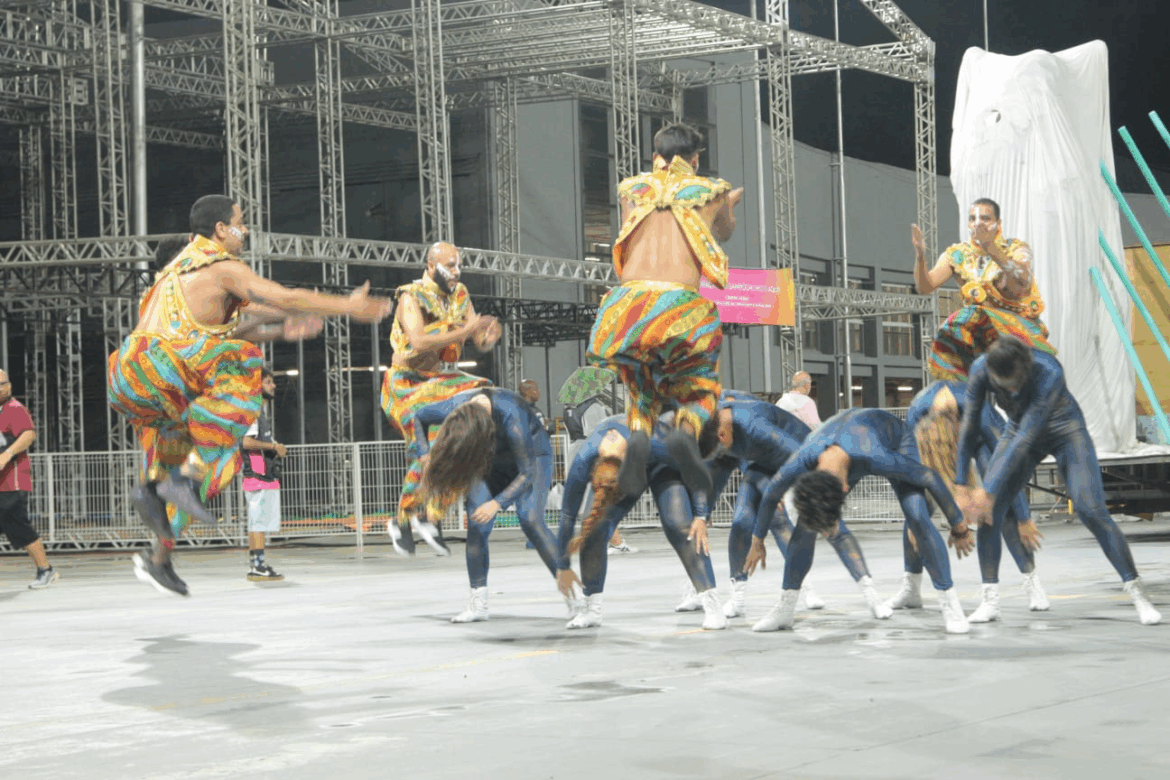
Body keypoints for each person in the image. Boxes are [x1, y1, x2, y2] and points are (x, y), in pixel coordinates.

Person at [108, 193, 393, 596]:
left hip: (133, 378)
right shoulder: (221, 266)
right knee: (242, 365)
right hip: (167, 372)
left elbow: (238, 320)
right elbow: (279, 297)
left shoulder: (168, 280)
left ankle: (158, 539)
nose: (245, 231)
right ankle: (177, 484)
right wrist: (346, 305)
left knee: (177, 458)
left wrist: (283, 329)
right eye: (240, 223)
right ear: (220, 229)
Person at [955, 335, 1161, 625]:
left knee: (1091, 510)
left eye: (1017, 383)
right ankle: (990, 600)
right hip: (1017, 431)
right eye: (1004, 386)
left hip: (1065, 431)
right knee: (989, 514)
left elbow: (1027, 436)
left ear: (1026, 367)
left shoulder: (1049, 369)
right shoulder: (980, 370)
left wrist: (987, 489)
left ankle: (1137, 592)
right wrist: (960, 484)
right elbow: (969, 423)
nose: (1012, 391)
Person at [587, 121, 744, 501]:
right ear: (695, 158)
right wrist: (730, 205)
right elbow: (724, 233)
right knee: (700, 382)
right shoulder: (712, 189)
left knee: (640, 379)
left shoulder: (632, 188)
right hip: (679, 305)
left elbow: (629, 236)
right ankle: (685, 433)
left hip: (628, 304)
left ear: (655, 155)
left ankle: (640, 433)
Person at [745, 408, 975, 634]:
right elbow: (770, 494)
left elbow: (930, 476)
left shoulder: (876, 456)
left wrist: (959, 526)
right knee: (805, 526)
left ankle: (950, 604)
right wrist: (757, 539)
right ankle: (785, 608)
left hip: (895, 440)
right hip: (845, 443)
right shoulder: (802, 459)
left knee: (916, 514)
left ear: (845, 489)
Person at [690, 392, 881, 618]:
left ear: (722, 433)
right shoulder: (714, 429)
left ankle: (862, 591)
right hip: (761, 468)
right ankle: (737, 596)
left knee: (825, 524)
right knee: (742, 521)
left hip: (801, 455)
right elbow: (716, 476)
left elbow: (796, 452)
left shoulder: (754, 424)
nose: (722, 455)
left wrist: (785, 486)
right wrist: (702, 514)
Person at [890, 380, 1049, 620]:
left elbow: (1009, 474)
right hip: (934, 443)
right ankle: (911, 588)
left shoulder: (982, 417)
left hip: (983, 441)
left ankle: (1030, 582)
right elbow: (910, 477)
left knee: (1000, 510)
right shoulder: (915, 421)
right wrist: (914, 520)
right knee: (915, 514)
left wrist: (1024, 518)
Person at [381, 242, 501, 555]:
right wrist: (464, 331)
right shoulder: (410, 297)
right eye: (450, 266)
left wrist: (486, 337)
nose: (457, 272)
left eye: (459, 265)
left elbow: (476, 337)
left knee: (467, 434)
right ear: (432, 266)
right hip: (406, 385)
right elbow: (419, 342)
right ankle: (403, 519)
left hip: (440, 382)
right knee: (426, 453)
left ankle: (430, 517)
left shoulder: (460, 294)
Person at [554, 414, 726, 630]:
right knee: (594, 528)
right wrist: (562, 566)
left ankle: (712, 605)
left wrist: (700, 516)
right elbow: (567, 515)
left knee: (680, 526)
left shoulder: (662, 442)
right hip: (625, 468)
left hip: (663, 467)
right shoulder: (583, 461)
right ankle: (591, 610)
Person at [410, 387, 566, 622]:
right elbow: (419, 416)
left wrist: (496, 504)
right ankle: (478, 604)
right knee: (477, 524)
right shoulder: (453, 407)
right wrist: (424, 454)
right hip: (490, 459)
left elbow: (527, 473)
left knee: (530, 519)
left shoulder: (512, 416)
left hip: (532, 457)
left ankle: (575, 594)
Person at [912, 198, 1055, 380]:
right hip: (979, 333)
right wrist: (920, 256)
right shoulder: (957, 254)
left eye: (985, 219)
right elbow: (924, 288)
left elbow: (1023, 280)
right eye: (973, 219)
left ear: (998, 223)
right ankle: (957, 382)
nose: (978, 223)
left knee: (972, 312)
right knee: (957, 322)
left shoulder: (1015, 248)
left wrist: (989, 247)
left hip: (1017, 328)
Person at [0, 369, 57, 589]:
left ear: (9, 385)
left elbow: (28, 434)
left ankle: (45, 569)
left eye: (3, 383)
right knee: (15, 526)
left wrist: (7, 454)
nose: (1, 388)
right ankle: (45, 569)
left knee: (18, 526)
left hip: (11, 481)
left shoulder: (14, 409)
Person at [240, 367, 286, 582]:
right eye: (268, 382)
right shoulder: (252, 412)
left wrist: (273, 446)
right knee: (258, 523)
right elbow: (246, 442)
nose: (273, 385)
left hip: (261, 475)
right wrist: (273, 447)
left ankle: (257, 564)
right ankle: (258, 565)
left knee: (258, 522)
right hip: (258, 475)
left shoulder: (258, 411)